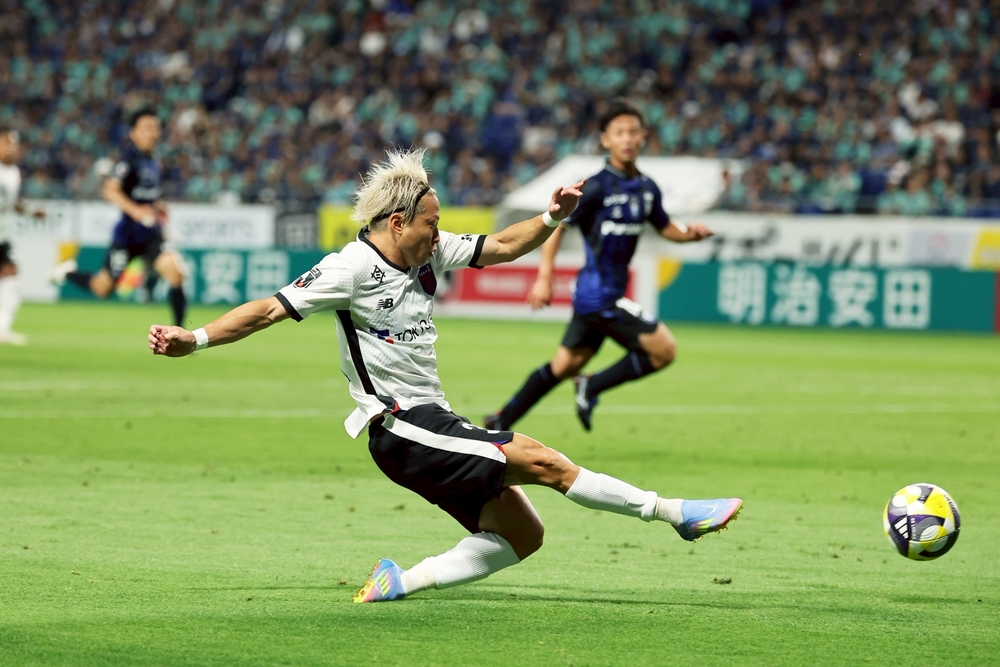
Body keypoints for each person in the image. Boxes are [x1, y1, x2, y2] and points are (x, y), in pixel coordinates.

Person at [148, 149, 742, 603]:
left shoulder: (428, 250)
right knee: (542, 460)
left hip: (432, 420)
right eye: (432, 223)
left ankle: (398, 582)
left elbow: (503, 244)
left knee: (522, 535)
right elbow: (267, 310)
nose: (440, 232)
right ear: (397, 221)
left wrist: (551, 216)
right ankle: (675, 513)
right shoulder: (349, 268)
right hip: (399, 426)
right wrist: (194, 339)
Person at [484, 100, 714, 433]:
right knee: (664, 350)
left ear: (643, 136)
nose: (627, 139)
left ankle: (501, 419)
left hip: (599, 295)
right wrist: (544, 277)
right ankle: (591, 385)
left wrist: (690, 235)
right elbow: (557, 225)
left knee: (565, 364)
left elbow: (666, 227)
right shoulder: (594, 186)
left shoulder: (647, 188)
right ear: (605, 139)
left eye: (633, 131)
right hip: (599, 296)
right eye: (619, 132)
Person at [50, 108, 188, 326]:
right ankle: (68, 272)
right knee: (103, 289)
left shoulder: (153, 159)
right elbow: (110, 190)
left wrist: (156, 205)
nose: (152, 133)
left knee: (176, 274)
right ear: (133, 133)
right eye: (146, 128)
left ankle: (180, 333)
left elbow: (143, 193)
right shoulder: (129, 159)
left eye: (155, 128)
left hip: (151, 235)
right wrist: (136, 211)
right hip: (127, 237)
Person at [0, 127, 46, 345]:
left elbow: (10, 202)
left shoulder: (13, 173)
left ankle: (3, 329)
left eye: (15, 144)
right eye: (7, 143)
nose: (12, 148)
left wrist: (30, 212)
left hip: (2, 235)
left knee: (11, 275)